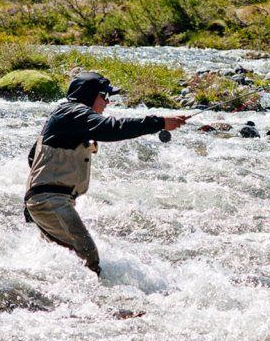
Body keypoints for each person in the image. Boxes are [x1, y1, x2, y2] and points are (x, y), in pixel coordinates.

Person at [24, 72, 187, 279]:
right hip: (50, 203)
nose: (107, 102)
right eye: (104, 96)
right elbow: (112, 129)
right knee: (88, 256)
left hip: (49, 202)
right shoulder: (75, 112)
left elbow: (33, 157)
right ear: (90, 94)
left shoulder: (67, 116)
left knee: (72, 260)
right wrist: (159, 123)